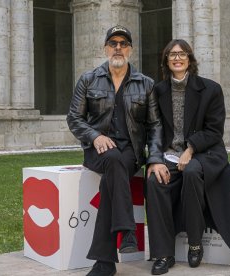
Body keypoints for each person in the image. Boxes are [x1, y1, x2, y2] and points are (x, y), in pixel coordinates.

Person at [67, 25, 169, 276]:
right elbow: (74, 118)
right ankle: (127, 231)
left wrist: (155, 158)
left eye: (123, 43)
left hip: (130, 152)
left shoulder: (145, 84)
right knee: (112, 161)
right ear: (105, 48)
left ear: (131, 50)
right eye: (113, 43)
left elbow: (155, 125)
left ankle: (105, 263)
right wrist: (94, 135)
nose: (118, 48)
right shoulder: (88, 79)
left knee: (114, 171)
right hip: (97, 150)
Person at [145, 39, 230, 275]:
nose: (177, 58)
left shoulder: (210, 89)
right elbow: (153, 129)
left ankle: (195, 243)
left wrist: (190, 150)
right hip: (170, 155)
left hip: (206, 153)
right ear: (166, 62)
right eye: (172, 55)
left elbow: (214, 131)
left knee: (191, 172)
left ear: (189, 59)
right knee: (154, 181)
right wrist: (155, 159)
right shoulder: (158, 92)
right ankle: (163, 254)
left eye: (182, 54)